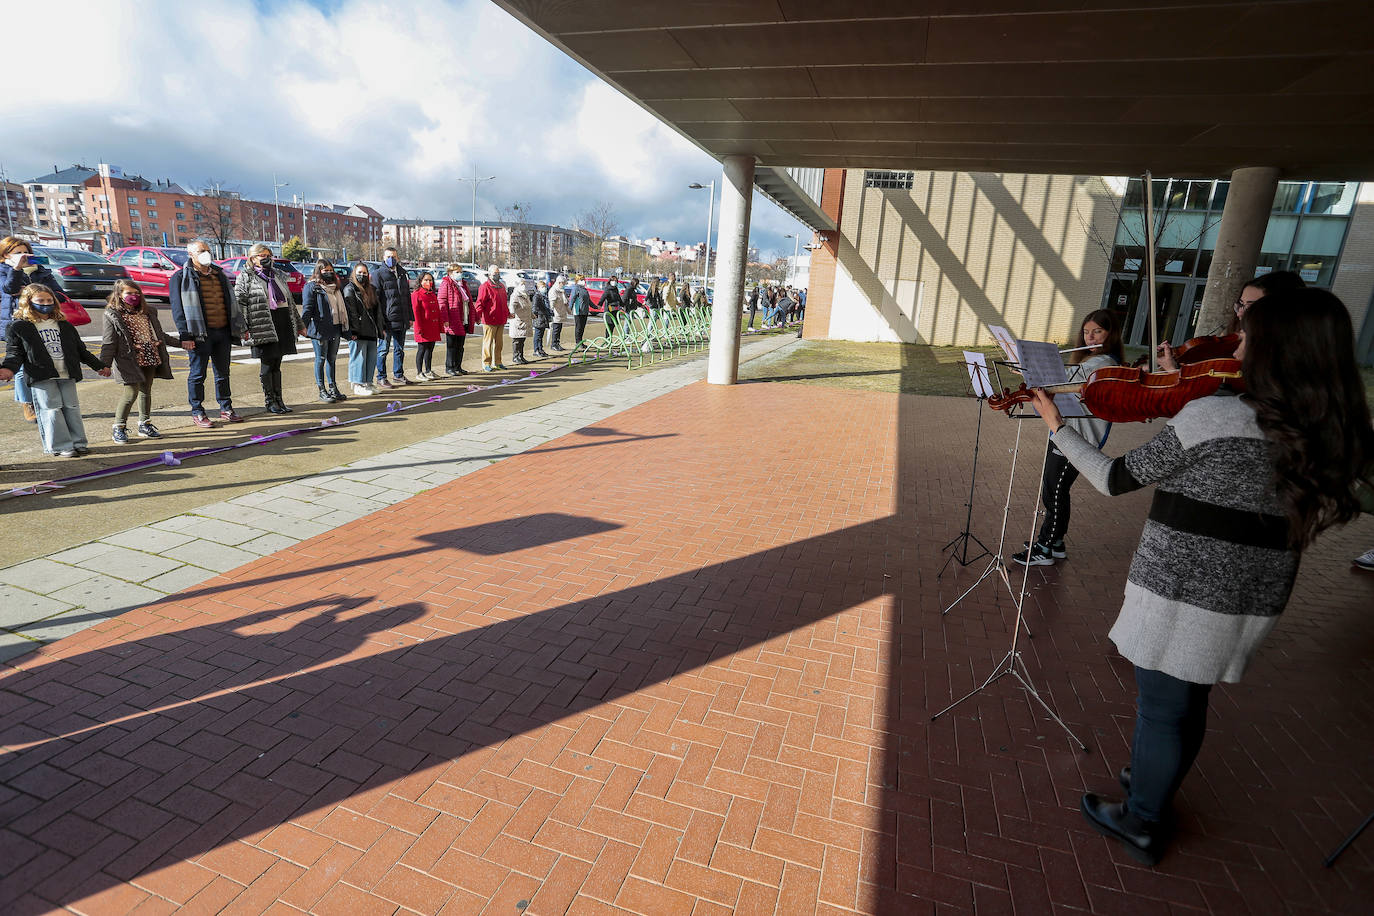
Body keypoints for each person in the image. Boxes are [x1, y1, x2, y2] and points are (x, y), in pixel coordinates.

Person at [1025, 287, 1374, 867]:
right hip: (1253, 593)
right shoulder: (1329, 431)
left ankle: (1142, 818)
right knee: (1188, 702)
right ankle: (1152, 787)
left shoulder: (1216, 414)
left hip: (1183, 589)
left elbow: (1114, 479)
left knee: (1163, 707)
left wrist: (1057, 425)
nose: (1236, 341)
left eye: (1248, 334)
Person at [1012, 310, 1125, 566]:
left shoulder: (1102, 364)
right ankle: (1057, 541)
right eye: (1086, 332)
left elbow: (1061, 382)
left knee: (1055, 492)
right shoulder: (1090, 361)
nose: (1089, 337)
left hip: (1078, 437)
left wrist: (1035, 372)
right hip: (1066, 432)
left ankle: (1045, 548)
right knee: (1054, 490)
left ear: (1110, 334)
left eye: (1097, 331)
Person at [0, 283, 110, 456]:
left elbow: (81, 350)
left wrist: (99, 366)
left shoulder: (64, 325)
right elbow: (15, 352)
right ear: (28, 302)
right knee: (51, 410)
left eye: (49, 300)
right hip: (41, 375)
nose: (45, 303)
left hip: (66, 373)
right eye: (40, 300)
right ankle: (61, 446)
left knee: (71, 407)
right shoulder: (19, 327)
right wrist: (8, 369)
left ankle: (78, 442)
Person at [1157, 270, 1306, 371]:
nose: (1240, 313)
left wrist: (1173, 372)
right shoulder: (1238, 342)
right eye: (1241, 304)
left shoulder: (1286, 361)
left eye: (1250, 307)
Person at [100, 279, 191, 442]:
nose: (134, 296)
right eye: (129, 293)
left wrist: (180, 343)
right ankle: (119, 427)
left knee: (145, 391)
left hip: (150, 355)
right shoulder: (113, 314)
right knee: (131, 393)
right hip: (128, 359)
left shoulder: (148, 312)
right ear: (119, 295)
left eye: (137, 293)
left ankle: (144, 424)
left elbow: (159, 334)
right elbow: (109, 342)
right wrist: (104, 364)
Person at [170, 240, 242, 427]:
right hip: (199, 334)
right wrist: (185, 335)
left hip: (223, 331)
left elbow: (230, 301)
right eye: (202, 251)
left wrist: (239, 327)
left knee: (223, 373)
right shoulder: (180, 277)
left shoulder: (220, 275)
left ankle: (226, 408)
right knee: (197, 374)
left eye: (208, 251)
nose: (206, 254)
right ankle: (198, 411)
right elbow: (178, 309)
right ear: (191, 254)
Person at [234, 243, 305, 414]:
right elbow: (239, 303)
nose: (266, 258)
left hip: (281, 322)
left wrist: (300, 325)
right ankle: (270, 400)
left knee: (277, 364)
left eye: (268, 255)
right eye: (262, 255)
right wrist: (243, 327)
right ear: (253, 258)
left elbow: (290, 303)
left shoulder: (278, 274)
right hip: (261, 323)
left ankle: (279, 399)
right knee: (267, 364)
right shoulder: (246, 276)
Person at [2, 236, 66, 423]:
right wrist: (16, 269)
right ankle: (27, 403)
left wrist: (37, 293)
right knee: (22, 365)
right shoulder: (4, 270)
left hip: (44, 322)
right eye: (17, 253)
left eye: (26, 252)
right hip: (18, 323)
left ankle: (46, 399)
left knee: (45, 360)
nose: (23, 256)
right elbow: (8, 289)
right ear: (6, 255)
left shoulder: (41, 271)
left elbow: (60, 295)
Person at [301, 260, 349, 402]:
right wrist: (302, 326)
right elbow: (307, 309)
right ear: (318, 271)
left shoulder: (336, 288)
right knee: (320, 359)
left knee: (332, 359)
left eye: (330, 270)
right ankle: (322, 390)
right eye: (324, 270)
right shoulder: (312, 287)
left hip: (335, 327)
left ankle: (333, 388)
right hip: (320, 329)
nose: (328, 273)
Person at [371, 247, 413, 386]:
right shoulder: (378, 274)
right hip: (386, 319)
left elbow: (407, 297)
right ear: (383, 257)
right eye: (389, 256)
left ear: (398, 258)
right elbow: (375, 299)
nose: (391, 259)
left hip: (401, 319)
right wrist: (379, 321)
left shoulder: (402, 273)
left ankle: (398, 374)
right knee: (383, 350)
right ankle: (381, 376)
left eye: (394, 256)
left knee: (399, 349)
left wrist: (410, 317)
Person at [343, 264, 382, 396]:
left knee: (371, 358)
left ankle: (368, 382)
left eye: (365, 273)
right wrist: (353, 330)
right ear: (354, 273)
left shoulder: (372, 289)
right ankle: (357, 383)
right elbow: (351, 311)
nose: (362, 275)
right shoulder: (350, 289)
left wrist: (380, 328)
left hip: (371, 329)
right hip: (358, 330)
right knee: (358, 357)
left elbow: (377, 311)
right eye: (360, 272)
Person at [438, 264, 473, 375]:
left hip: (463, 318)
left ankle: (458, 366)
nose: (460, 274)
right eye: (457, 272)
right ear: (450, 273)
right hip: (452, 318)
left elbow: (469, 301)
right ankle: (450, 367)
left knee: (460, 345)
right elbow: (442, 301)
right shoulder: (446, 284)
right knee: (451, 345)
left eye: (460, 272)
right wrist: (445, 319)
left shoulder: (462, 285)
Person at [474, 266, 509, 371]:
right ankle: (486, 363)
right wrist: (478, 316)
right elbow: (480, 303)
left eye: (498, 273)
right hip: (490, 320)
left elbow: (504, 303)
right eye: (495, 273)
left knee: (499, 343)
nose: (497, 275)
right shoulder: (485, 287)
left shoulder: (502, 286)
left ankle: (498, 362)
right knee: (488, 342)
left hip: (501, 319)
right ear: (489, 274)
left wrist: (508, 313)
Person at [411, 271, 441, 380]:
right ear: (420, 281)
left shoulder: (432, 293)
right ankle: (419, 372)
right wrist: (418, 327)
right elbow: (416, 312)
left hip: (432, 326)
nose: (428, 282)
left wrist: (439, 325)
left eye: (430, 280)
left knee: (430, 349)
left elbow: (437, 310)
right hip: (423, 326)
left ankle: (428, 370)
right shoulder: (416, 294)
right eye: (426, 280)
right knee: (422, 349)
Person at [508, 279, 535, 365]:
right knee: (517, 340)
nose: (524, 286)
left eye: (524, 284)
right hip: (518, 321)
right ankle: (516, 356)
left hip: (525, 320)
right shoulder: (515, 295)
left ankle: (521, 356)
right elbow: (512, 305)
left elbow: (528, 307)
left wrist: (532, 315)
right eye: (522, 284)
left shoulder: (525, 295)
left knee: (522, 339)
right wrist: (512, 313)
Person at [531, 280, 552, 358]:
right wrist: (536, 315)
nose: (544, 288)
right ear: (538, 287)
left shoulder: (544, 296)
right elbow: (534, 307)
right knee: (538, 335)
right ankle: (536, 350)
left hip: (543, 318)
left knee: (541, 335)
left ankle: (540, 349)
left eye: (545, 287)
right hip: (539, 318)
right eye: (542, 287)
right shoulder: (537, 296)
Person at [548, 276, 570, 352]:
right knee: (556, 329)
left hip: (561, 312)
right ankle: (553, 344)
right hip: (556, 313)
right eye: (563, 283)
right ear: (559, 282)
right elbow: (552, 303)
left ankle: (557, 343)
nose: (564, 284)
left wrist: (568, 310)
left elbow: (565, 302)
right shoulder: (553, 290)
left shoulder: (561, 291)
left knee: (559, 329)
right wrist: (551, 312)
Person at [568, 277, 592, 347]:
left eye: (583, 280)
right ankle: (578, 342)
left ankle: (580, 341)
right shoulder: (576, 289)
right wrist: (570, 308)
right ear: (577, 281)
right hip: (578, 311)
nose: (583, 281)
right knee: (578, 327)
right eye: (581, 280)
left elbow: (589, 301)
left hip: (585, 311)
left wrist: (595, 307)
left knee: (582, 327)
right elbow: (572, 299)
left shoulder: (584, 289)